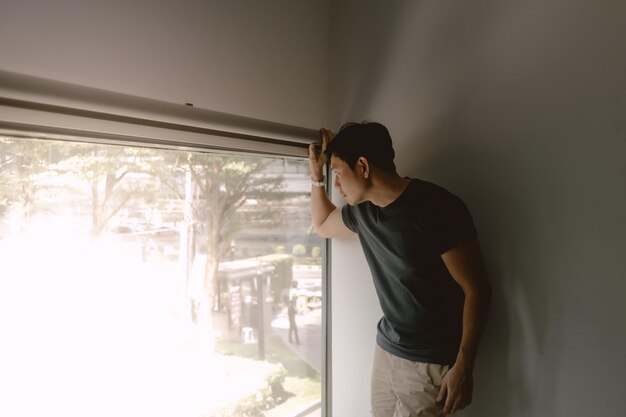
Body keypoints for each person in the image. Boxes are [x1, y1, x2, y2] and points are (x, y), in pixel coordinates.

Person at [308, 122, 491, 417]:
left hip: (428, 362)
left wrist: (464, 366)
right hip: (386, 348)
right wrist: (317, 179)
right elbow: (322, 224)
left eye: (339, 173)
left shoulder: (437, 208)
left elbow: (477, 289)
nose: (337, 184)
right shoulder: (362, 211)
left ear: (363, 166)